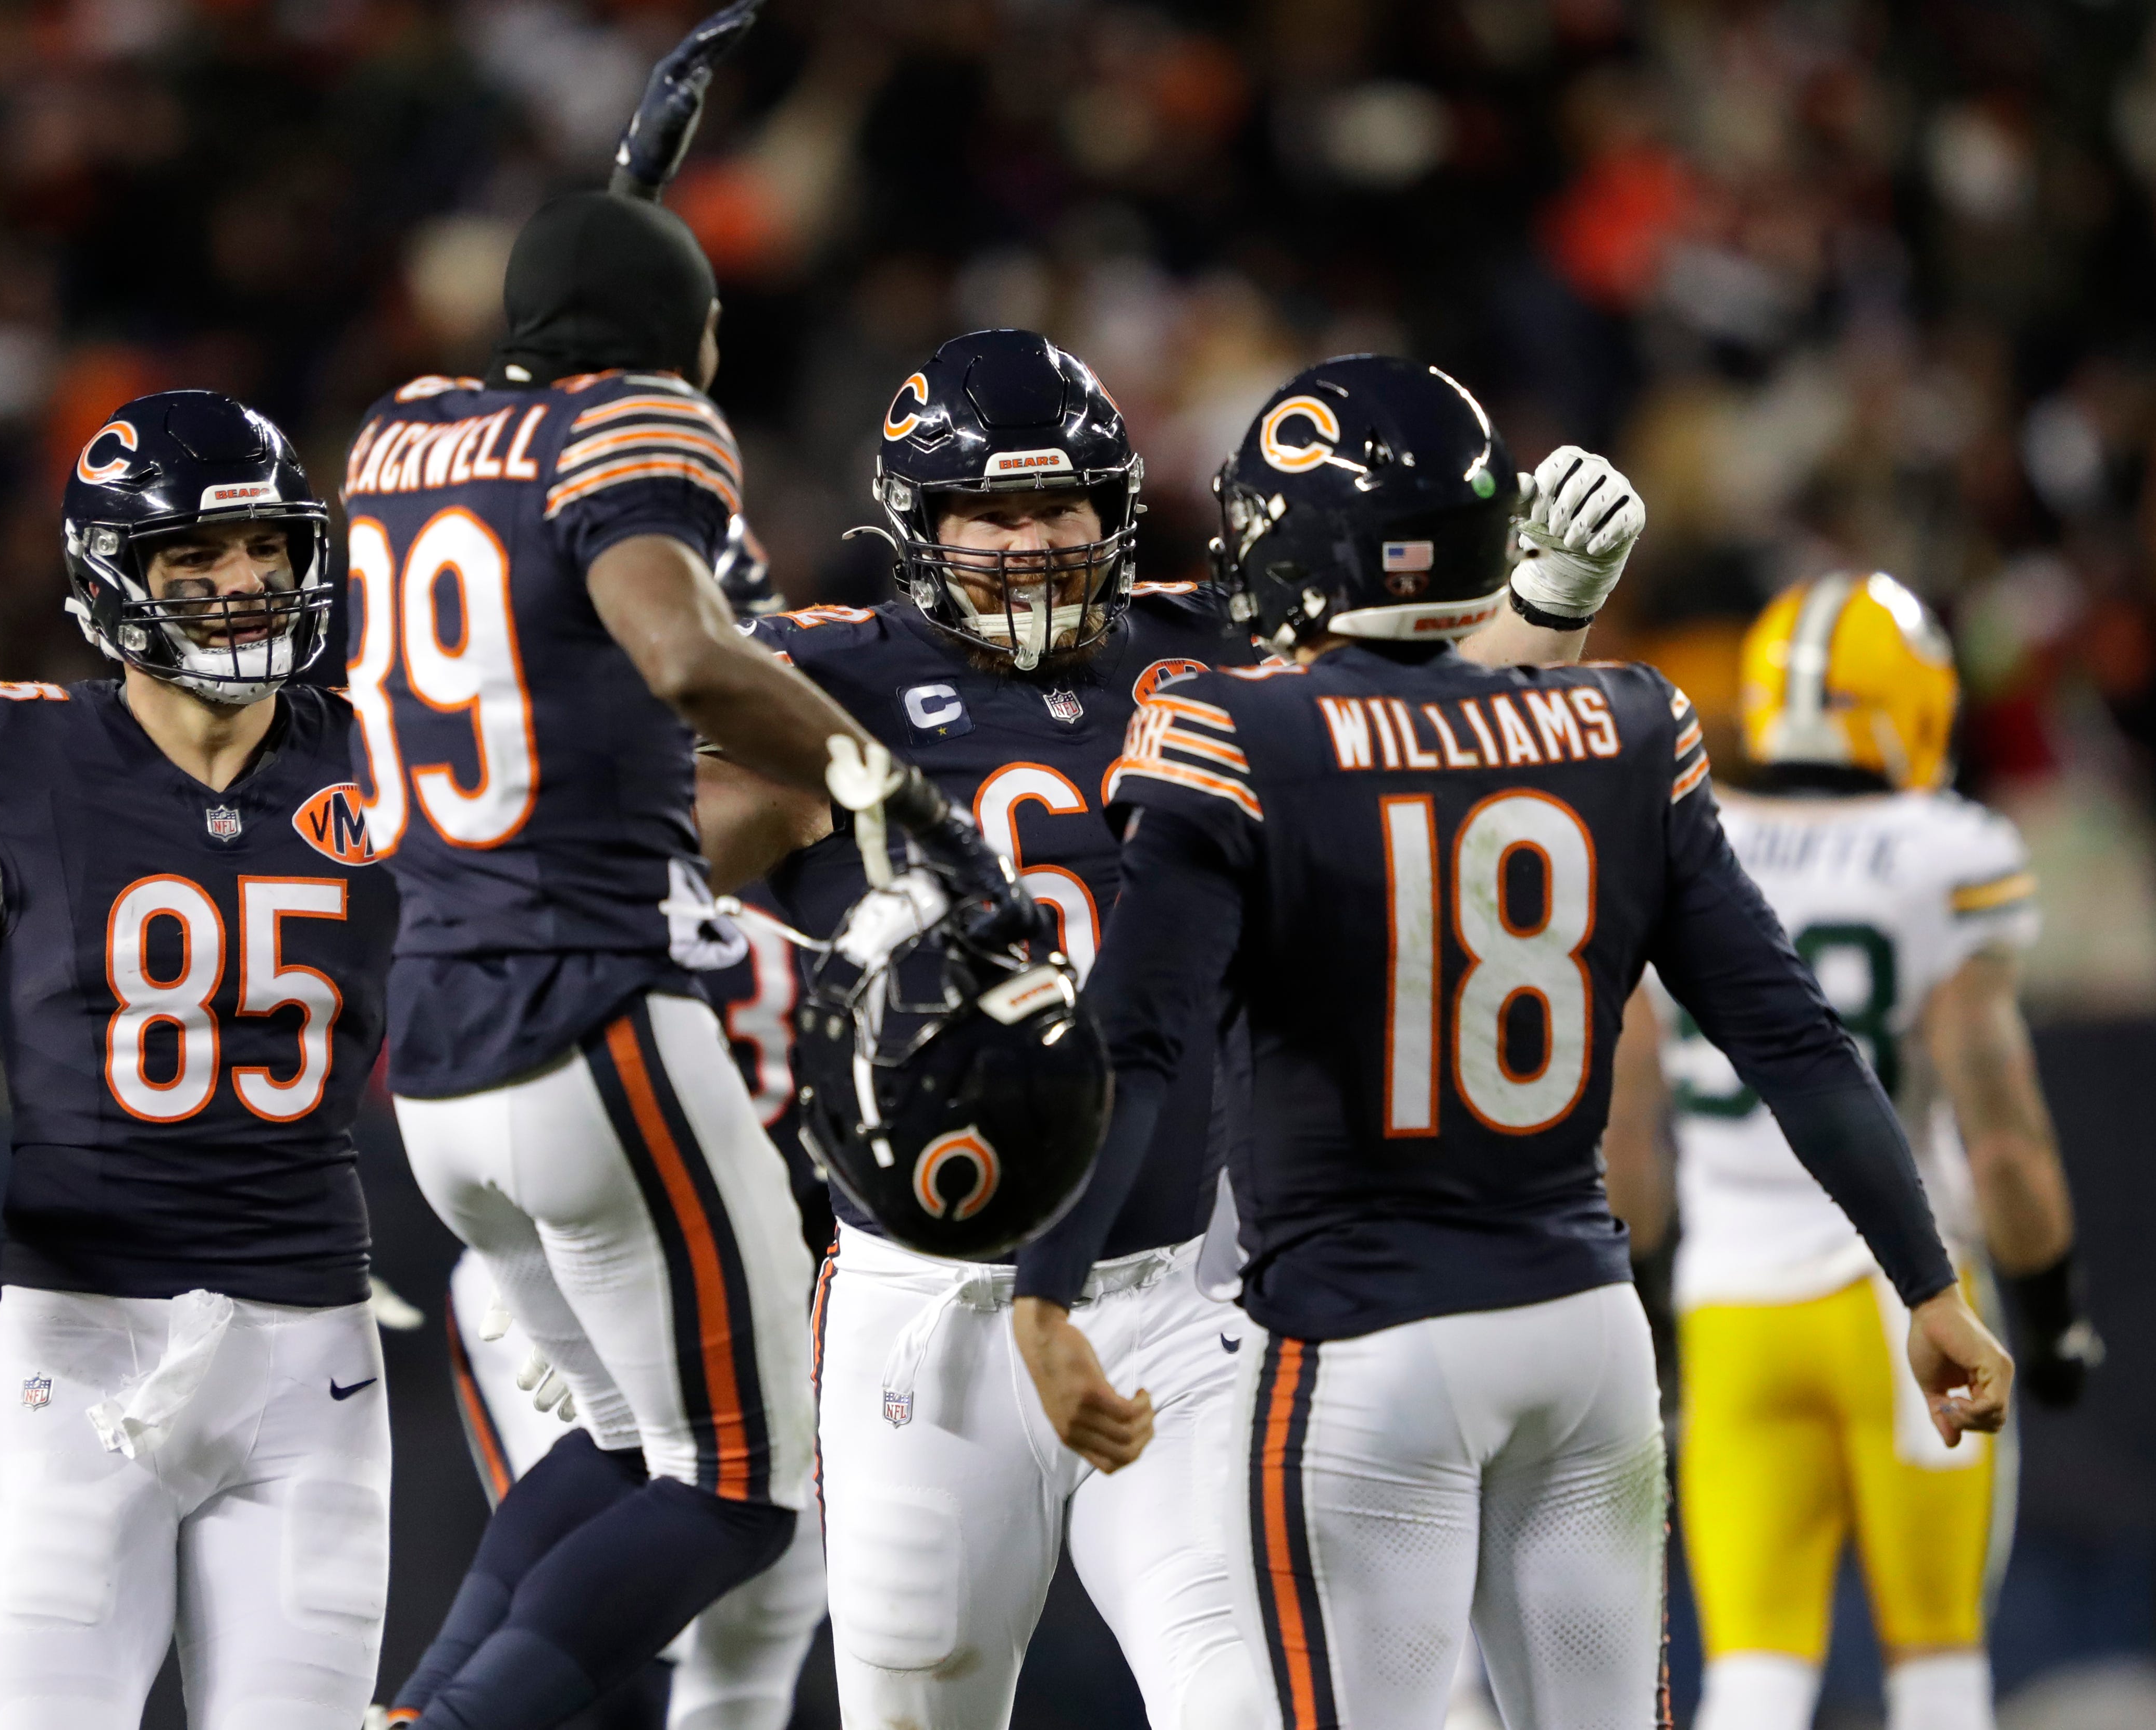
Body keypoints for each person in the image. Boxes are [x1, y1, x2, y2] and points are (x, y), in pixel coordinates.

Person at [1016, 354, 2016, 1730]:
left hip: (1359, 1343)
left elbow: (1136, 1044)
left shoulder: (1229, 730)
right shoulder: (1622, 721)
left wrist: (1045, 1289)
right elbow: (1790, 1040)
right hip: (1580, 1337)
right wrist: (1925, 1282)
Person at [693, 329, 1633, 1730]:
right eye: (991, 513)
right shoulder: (832, 681)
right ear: (919, 526)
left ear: (1119, 507)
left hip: (1175, 1297)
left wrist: (1545, 609)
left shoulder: (1215, 646)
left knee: (1247, 1703)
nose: (1029, 542)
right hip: (924, 1309)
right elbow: (646, 865)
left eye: (1059, 504)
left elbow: (1436, 731)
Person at [343, 9, 1040, 1723]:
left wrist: (621, 215)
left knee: (615, 1441)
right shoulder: (639, 425)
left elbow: (543, 394)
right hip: (589, 1006)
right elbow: (674, 644)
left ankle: (415, 1704)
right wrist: (892, 790)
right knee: (741, 1483)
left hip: (434, 1037)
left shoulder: (397, 437)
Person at [0, 390, 399, 1729]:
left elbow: (504, 1003)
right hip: (79, 1340)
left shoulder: (388, 755)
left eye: (267, 553)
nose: (245, 585)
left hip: (313, 1354)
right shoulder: (17, 759)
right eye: (197, 561)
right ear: (117, 582)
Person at [1600, 573, 2101, 1730]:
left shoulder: (1684, 828)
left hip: (1731, 1307)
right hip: (1906, 1310)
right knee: (1938, 1665)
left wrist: (1646, 1295)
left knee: (1754, 1674)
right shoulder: (1946, 850)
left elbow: (1630, 1122)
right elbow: (2004, 1137)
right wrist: (2054, 1305)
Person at [391, 521, 829, 1730]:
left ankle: (430, 1706)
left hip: (656, 1236)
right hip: (649, 1227)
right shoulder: (806, 804)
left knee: (719, 1601)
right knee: (716, 1520)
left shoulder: (503, 799)